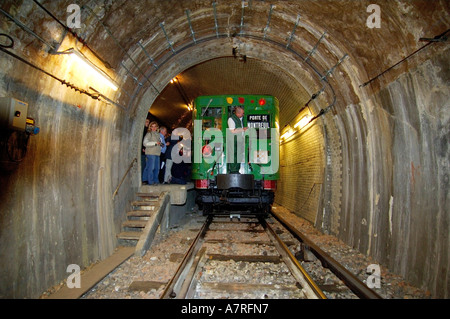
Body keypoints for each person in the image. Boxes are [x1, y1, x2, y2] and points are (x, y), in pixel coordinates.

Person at [227, 106, 248, 174]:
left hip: (239, 140)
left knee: (238, 155)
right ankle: (233, 170)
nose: (243, 114)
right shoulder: (231, 119)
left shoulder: (240, 119)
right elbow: (232, 130)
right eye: (242, 113)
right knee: (234, 155)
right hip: (233, 140)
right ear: (238, 113)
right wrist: (243, 129)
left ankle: (236, 170)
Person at [142, 121, 162, 185]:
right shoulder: (149, 134)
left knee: (156, 168)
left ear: (157, 127)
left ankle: (155, 180)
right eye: (152, 126)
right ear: (150, 127)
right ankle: (150, 181)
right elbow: (145, 143)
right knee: (151, 167)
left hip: (157, 153)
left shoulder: (158, 134)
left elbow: (158, 143)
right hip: (150, 152)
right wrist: (155, 143)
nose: (153, 128)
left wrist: (160, 144)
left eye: (155, 126)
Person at [141, 118, 150, 184]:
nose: (147, 123)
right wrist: (143, 147)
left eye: (148, 122)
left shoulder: (146, 130)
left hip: (145, 151)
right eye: (146, 122)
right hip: (143, 151)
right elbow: (142, 140)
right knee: (143, 164)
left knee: (145, 165)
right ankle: (143, 179)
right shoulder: (143, 130)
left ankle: (144, 178)